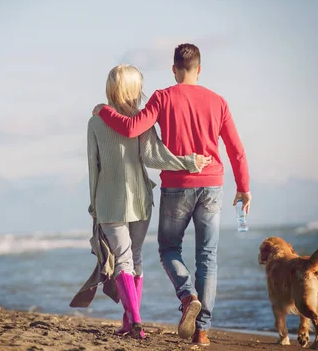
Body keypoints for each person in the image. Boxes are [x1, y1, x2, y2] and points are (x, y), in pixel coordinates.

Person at [92, 44, 251, 345]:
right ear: (199, 69)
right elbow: (236, 150)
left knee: (168, 249)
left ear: (174, 69)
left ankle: (187, 294)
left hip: (177, 186)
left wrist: (104, 111)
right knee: (208, 258)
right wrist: (243, 188)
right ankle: (202, 332)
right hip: (213, 185)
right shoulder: (218, 101)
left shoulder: (163, 97)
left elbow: (131, 128)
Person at [87, 63, 212, 340]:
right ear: (133, 89)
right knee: (136, 260)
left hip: (109, 201)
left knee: (122, 259)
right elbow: (155, 156)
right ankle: (131, 320)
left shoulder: (95, 122)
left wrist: (93, 206)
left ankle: (133, 321)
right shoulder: (141, 120)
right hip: (141, 199)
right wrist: (189, 162)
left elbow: (92, 168)